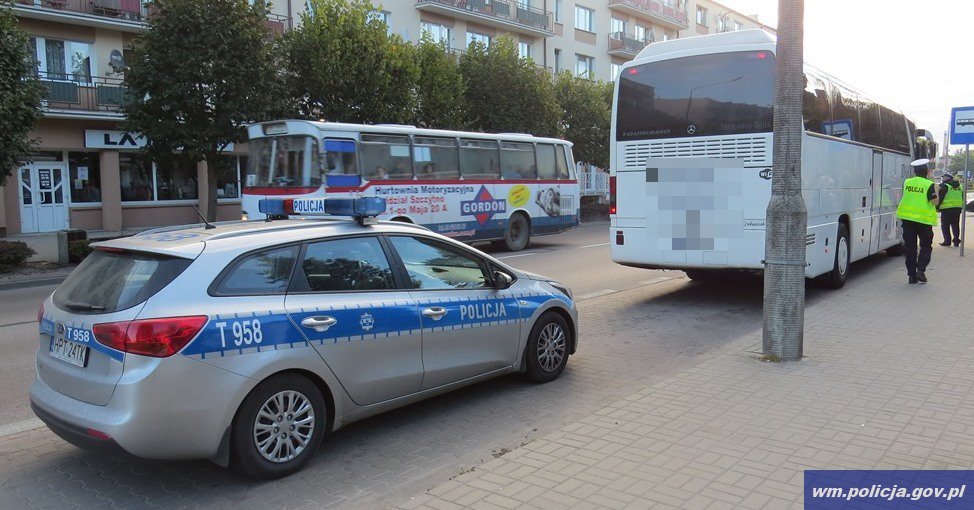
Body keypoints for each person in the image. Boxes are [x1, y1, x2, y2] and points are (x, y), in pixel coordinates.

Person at [895, 159, 938, 284]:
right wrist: (936, 192)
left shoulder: (907, 182)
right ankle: (921, 271)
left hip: (908, 219)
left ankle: (912, 276)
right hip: (924, 220)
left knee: (910, 248)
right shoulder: (929, 184)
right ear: (927, 172)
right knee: (925, 246)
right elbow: (934, 202)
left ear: (914, 171)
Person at [937, 171, 963, 246]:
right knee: (955, 225)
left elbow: (940, 198)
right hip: (957, 209)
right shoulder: (960, 186)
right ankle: (956, 241)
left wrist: (937, 207)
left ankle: (947, 241)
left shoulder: (945, 186)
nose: (942, 179)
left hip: (946, 209)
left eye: (943, 177)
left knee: (945, 226)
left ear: (947, 177)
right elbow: (962, 197)